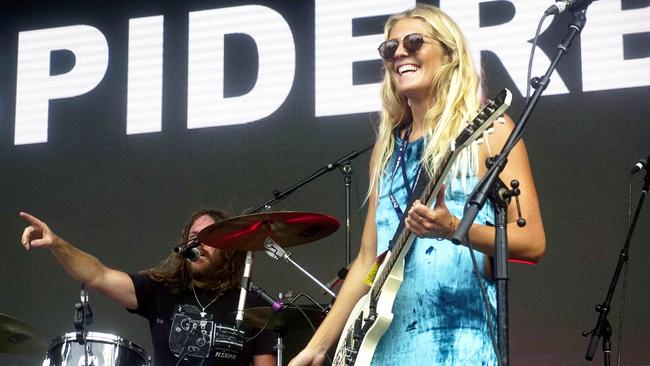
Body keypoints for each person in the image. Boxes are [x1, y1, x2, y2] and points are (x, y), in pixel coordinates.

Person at [289, 4, 546, 366]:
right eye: (389, 49)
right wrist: (316, 347)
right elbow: (368, 260)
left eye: (413, 41)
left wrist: (453, 228)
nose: (399, 54)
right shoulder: (388, 147)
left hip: (458, 341)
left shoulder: (490, 131)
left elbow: (533, 242)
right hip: (386, 347)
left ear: (449, 53)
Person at [19, 209, 276, 366]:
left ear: (228, 247)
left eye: (208, 236)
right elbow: (98, 275)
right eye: (193, 237)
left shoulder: (251, 304)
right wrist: (57, 244)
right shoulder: (162, 290)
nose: (198, 243)